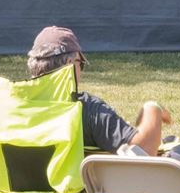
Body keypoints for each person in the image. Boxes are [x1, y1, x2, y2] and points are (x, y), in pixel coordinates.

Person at [25, 24, 166, 155]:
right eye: (80, 64)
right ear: (70, 64)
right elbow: (144, 149)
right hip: (72, 183)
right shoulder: (88, 111)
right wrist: (153, 109)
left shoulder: (9, 104)